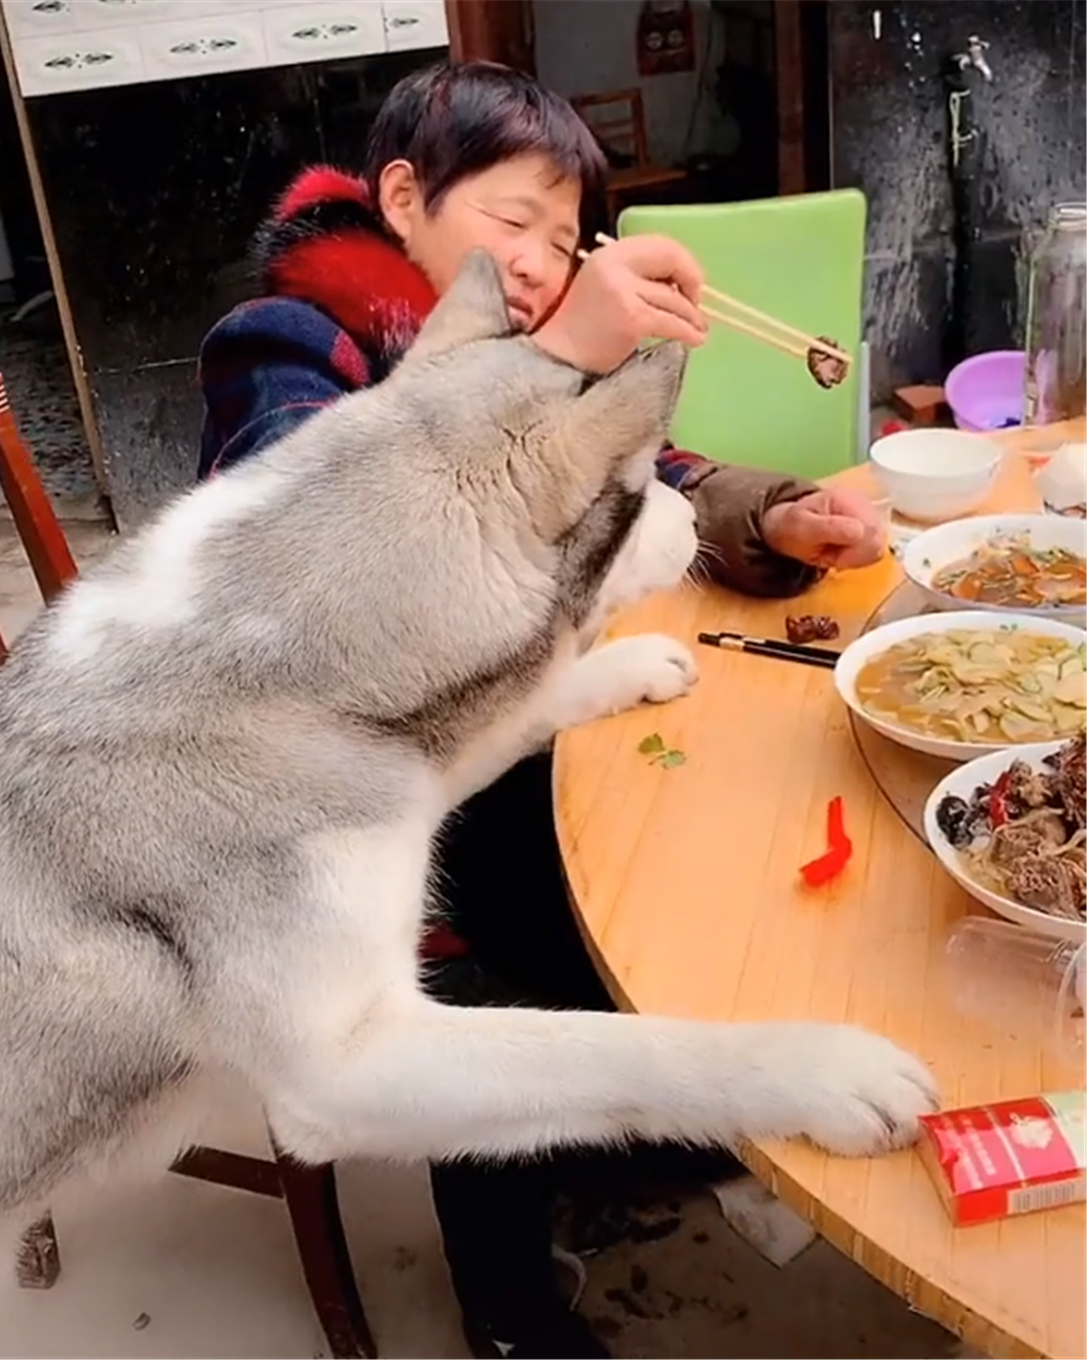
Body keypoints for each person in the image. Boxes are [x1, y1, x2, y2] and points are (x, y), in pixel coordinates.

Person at [198, 61, 885, 1359]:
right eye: (510, 223)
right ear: (404, 197)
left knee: (683, 798)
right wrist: (572, 348)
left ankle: (624, 1117)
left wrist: (764, 510)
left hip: (474, 743)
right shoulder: (292, 342)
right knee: (535, 908)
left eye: (562, 241)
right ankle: (505, 1300)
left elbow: (649, 468)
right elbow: (308, 557)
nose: (536, 263)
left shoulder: (517, 353)